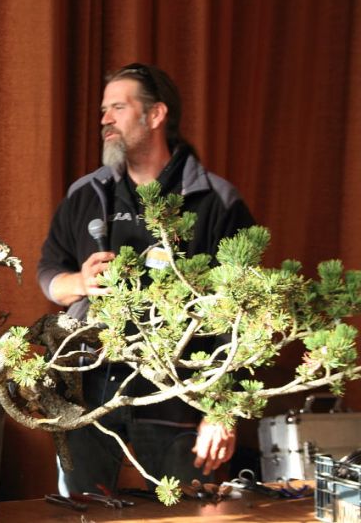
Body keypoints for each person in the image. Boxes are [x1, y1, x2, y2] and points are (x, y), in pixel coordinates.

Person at [37, 63, 256, 495]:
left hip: (179, 395)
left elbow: (245, 315)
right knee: (83, 514)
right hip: (89, 393)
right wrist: (79, 283)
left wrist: (222, 411)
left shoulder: (215, 201)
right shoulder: (85, 194)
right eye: (103, 110)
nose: (105, 119)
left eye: (118, 108)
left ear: (155, 115)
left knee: (186, 514)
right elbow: (49, 276)